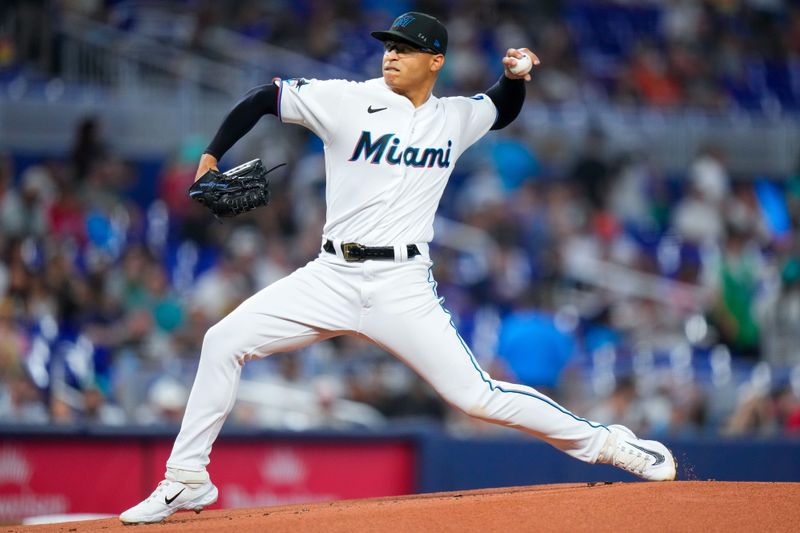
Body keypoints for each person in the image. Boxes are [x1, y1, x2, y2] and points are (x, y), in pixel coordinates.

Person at [120, 12, 676, 525]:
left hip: (402, 285)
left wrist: (517, 77)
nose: (390, 55)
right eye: (388, 45)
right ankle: (186, 477)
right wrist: (212, 156)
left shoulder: (454, 117)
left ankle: (607, 444)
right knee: (223, 340)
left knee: (476, 397)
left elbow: (499, 108)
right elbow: (264, 98)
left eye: (406, 49)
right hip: (330, 275)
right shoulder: (346, 99)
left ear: (435, 61)